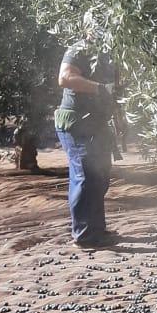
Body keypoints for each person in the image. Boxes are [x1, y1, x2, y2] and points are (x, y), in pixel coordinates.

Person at [55, 33, 122, 248]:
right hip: (77, 124)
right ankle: (84, 236)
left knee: (99, 177)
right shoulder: (79, 50)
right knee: (85, 177)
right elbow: (64, 78)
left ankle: (96, 230)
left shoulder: (110, 53)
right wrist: (101, 88)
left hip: (96, 124)